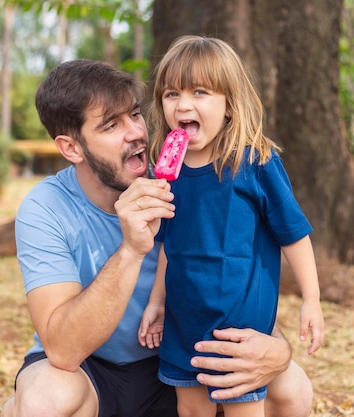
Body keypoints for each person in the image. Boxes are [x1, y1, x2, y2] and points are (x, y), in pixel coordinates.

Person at [1, 58, 314, 417]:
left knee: (290, 388)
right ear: (72, 148)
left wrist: (279, 348)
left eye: (134, 115)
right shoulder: (46, 207)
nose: (136, 133)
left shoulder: (186, 178)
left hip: (179, 360)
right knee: (44, 400)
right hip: (91, 370)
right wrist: (132, 249)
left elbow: (236, 282)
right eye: (111, 126)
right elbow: (63, 350)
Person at [137, 36, 325, 417]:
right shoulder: (165, 173)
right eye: (171, 94)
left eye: (200, 92)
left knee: (241, 403)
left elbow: (294, 235)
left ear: (228, 105)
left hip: (238, 329)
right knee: (190, 407)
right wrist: (157, 302)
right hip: (182, 320)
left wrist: (312, 300)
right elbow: (168, 247)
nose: (183, 104)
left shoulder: (256, 162)